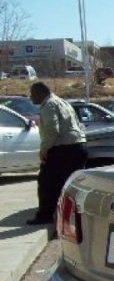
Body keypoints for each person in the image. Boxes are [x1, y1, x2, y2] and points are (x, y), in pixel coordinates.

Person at [26, 82, 87, 225]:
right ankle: (70, 216)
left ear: (41, 93)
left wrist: (44, 150)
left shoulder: (49, 105)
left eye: (32, 94)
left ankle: (45, 216)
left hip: (62, 149)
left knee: (47, 184)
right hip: (77, 146)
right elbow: (79, 125)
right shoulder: (63, 102)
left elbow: (52, 130)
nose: (31, 97)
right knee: (70, 185)